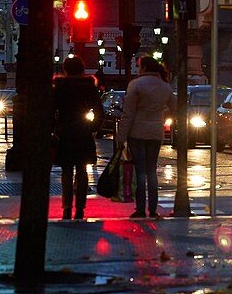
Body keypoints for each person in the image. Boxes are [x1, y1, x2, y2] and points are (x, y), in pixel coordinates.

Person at [115, 56, 176, 219]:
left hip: (137, 132)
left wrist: (121, 137)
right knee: (151, 171)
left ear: (143, 68)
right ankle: (153, 208)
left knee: (140, 171)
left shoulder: (136, 85)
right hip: (156, 132)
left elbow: (128, 114)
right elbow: (175, 107)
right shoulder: (165, 87)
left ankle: (140, 208)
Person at [52, 54, 104, 221]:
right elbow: (99, 112)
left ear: (65, 69)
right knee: (82, 171)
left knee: (66, 171)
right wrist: (92, 127)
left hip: (65, 132)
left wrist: (55, 128)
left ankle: (67, 207)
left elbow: (51, 110)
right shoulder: (89, 87)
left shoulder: (59, 87)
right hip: (83, 131)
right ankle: (80, 208)